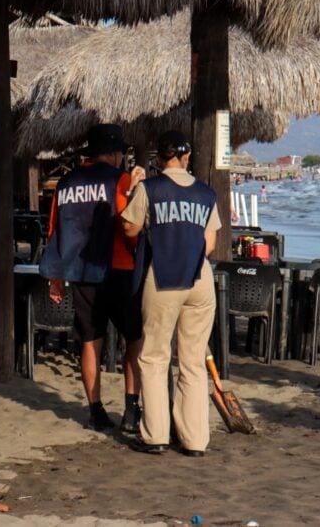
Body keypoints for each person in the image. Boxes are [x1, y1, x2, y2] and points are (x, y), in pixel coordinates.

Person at [40, 124, 146, 432]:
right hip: (119, 269)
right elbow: (130, 227)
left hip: (81, 272)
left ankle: (95, 410)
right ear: (113, 154)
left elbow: (54, 230)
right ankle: (130, 410)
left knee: (90, 342)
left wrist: (56, 277)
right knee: (134, 340)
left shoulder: (66, 183)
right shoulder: (120, 180)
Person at [120, 131, 220, 457]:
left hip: (163, 275)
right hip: (199, 277)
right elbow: (211, 244)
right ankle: (194, 440)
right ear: (187, 157)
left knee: (154, 357)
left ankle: (156, 435)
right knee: (192, 362)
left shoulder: (150, 188)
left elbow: (129, 228)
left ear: (159, 159)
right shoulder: (206, 193)